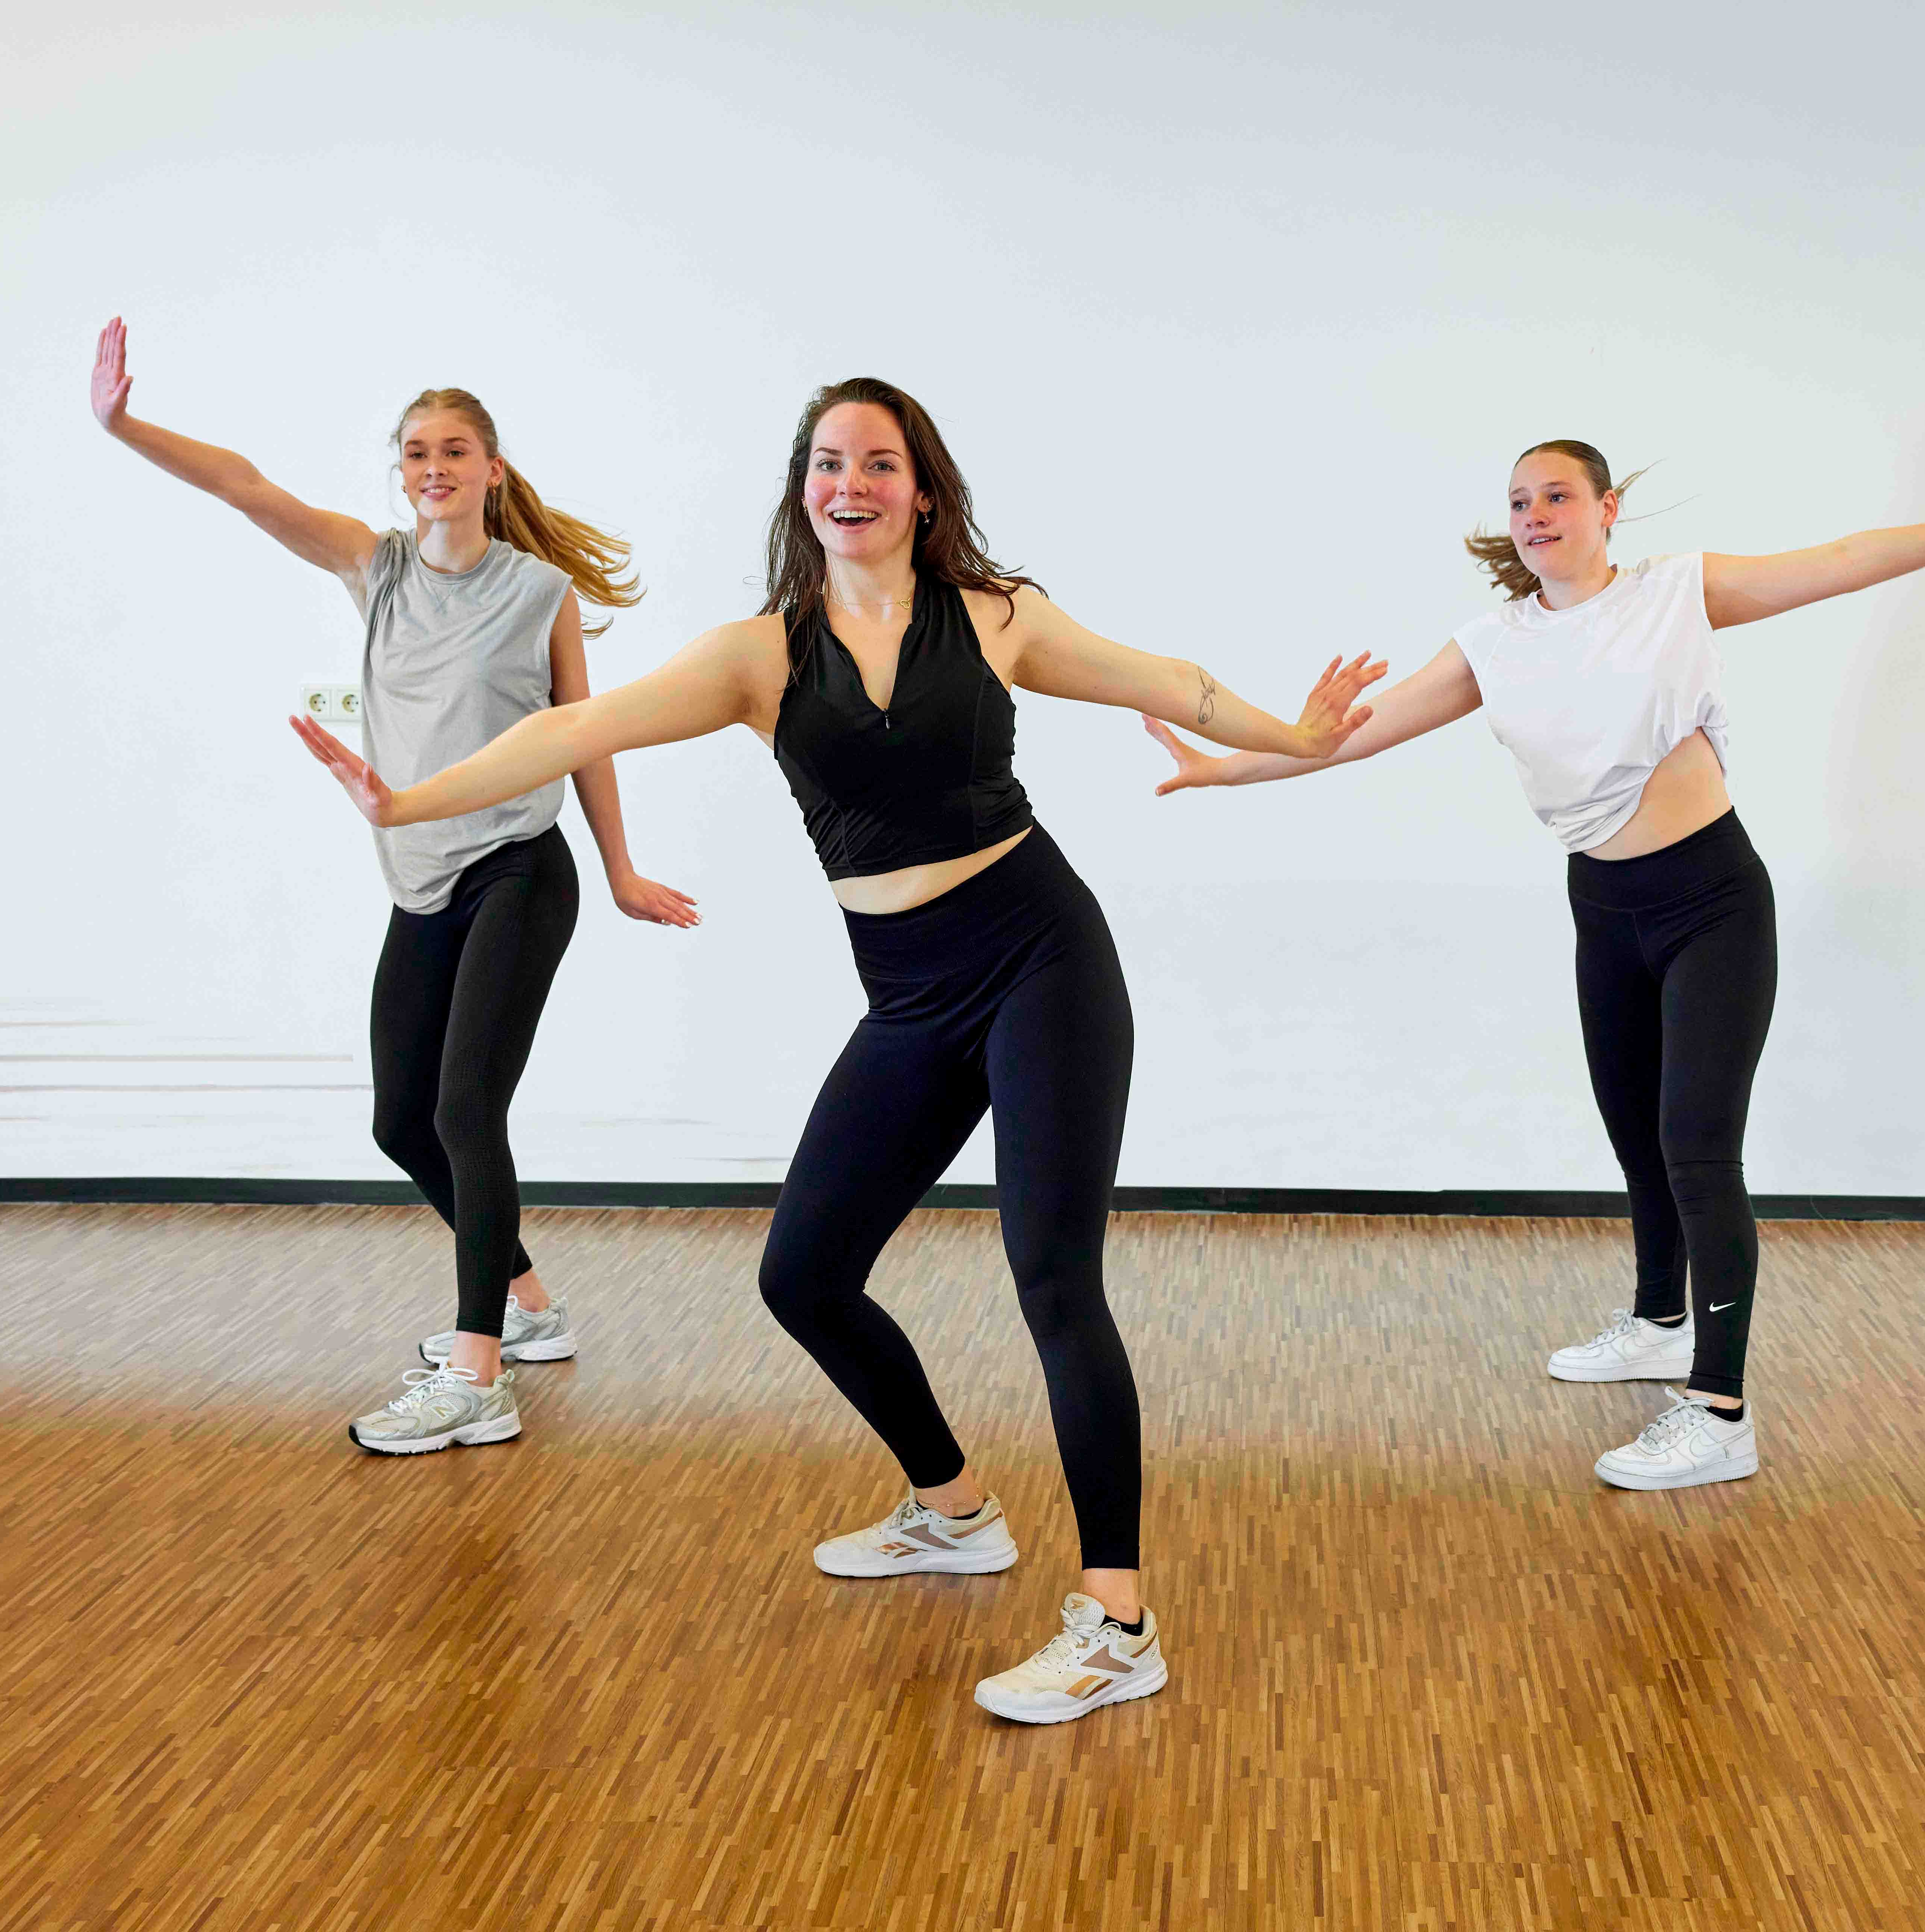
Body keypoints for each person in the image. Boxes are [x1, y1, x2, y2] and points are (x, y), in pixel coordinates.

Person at [288, 375, 1382, 1721]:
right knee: (804, 1273)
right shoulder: (762, 655)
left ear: (923, 488)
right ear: (802, 490)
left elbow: (1176, 683)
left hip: (1043, 958)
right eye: (827, 463)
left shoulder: (999, 618)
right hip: (912, 999)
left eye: (878, 462)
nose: (849, 483)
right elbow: (575, 730)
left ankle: (1118, 1616)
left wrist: (1297, 739)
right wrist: (408, 796)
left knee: (1052, 1277)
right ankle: (955, 1506)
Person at [1141, 427, 1925, 1490]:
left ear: (1608, 508)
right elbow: (1354, 734)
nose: (1535, 516)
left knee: (1698, 1149)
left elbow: (1843, 559)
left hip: (1712, 902)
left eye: (1558, 497)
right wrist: (1224, 770)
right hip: (1604, 905)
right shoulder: (1495, 643)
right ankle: (1663, 1319)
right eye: (1521, 501)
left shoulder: (1675, 592)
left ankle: (1720, 1409)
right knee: (1637, 1133)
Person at [89, 317, 698, 1455]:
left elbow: (587, 735)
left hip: (521, 867)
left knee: (469, 1103)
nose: (433, 468)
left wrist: (619, 870)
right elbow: (245, 486)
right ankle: (527, 1308)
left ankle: (476, 1376)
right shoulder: (374, 568)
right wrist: (122, 425)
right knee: (398, 1118)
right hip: (421, 882)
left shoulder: (539, 592)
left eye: (454, 450)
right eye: (416, 451)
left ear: (492, 469)